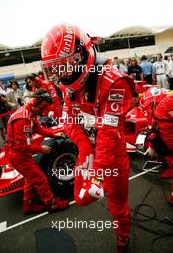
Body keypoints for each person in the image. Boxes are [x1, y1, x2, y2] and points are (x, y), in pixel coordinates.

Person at [41, 23, 135, 253]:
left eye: (63, 66)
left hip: (112, 156)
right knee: (80, 199)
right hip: (90, 151)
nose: (61, 74)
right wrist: (84, 148)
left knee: (116, 203)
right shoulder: (67, 87)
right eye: (55, 68)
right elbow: (69, 121)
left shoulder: (114, 81)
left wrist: (99, 175)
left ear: (81, 54)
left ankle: (122, 236)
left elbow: (109, 133)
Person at [7, 89, 69, 214]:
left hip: (22, 154)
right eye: (43, 107)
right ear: (35, 102)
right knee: (40, 178)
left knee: (30, 179)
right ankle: (51, 204)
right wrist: (41, 149)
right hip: (19, 155)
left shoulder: (30, 113)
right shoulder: (22, 119)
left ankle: (28, 205)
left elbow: (39, 130)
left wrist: (55, 135)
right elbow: (22, 145)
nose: (44, 110)